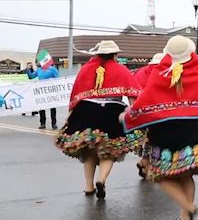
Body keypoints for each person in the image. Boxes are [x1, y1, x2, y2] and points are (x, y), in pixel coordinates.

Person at [123, 36, 198, 220]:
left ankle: (188, 207)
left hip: (166, 131)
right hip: (195, 130)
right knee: (186, 175)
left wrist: (130, 116)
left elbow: (147, 99)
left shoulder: (161, 71)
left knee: (159, 175)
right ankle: (185, 215)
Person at [55, 41, 141, 200]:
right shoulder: (121, 69)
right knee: (109, 151)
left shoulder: (86, 69)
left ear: (98, 54)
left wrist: (71, 114)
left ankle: (89, 186)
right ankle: (101, 180)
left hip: (86, 110)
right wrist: (133, 113)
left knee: (89, 151)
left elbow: (76, 94)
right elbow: (132, 95)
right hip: (112, 111)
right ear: (115, 55)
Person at [131, 53, 165, 178]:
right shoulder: (162, 73)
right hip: (158, 112)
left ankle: (144, 162)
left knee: (148, 138)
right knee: (156, 140)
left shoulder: (141, 72)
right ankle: (148, 164)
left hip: (142, 112)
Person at [31, 58, 61, 130]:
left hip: (50, 90)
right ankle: (42, 123)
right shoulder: (39, 69)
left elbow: (58, 78)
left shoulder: (52, 69)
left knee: (52, 107)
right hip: (41, 91)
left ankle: (54, 123)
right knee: (42, 107)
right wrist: (30, 69)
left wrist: (52, 81)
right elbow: (31, 76)